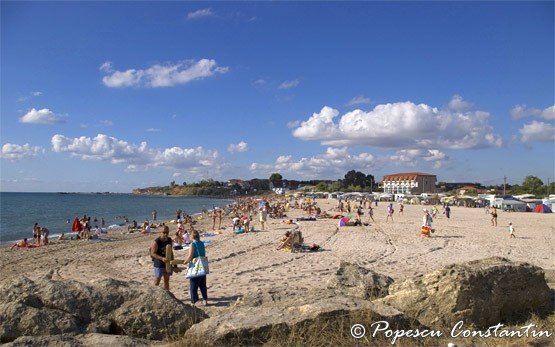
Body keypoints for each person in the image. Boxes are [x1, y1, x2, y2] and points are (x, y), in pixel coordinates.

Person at [183, 230, 208, 306]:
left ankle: (195, 300)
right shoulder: (201, 243)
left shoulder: (193, 244)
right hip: (203, 265)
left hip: (196, 266)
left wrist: (185, 261)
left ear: (192, 236)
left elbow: (190, 256)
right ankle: (205, 299)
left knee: (193, 284)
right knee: (203, 284)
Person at [150, 225, 173, 290]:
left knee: (166, 280)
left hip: (167, 262)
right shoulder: (156, 242)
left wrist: (174, 264)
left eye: (167, 232)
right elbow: (153, 253)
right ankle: (154, 294)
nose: (166, 234)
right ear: (160, 232)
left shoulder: (169, 240)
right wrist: (162, 258)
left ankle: (168, 294)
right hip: (159, 262)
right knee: (157, 280)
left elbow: (171, 252)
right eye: (164, 232)